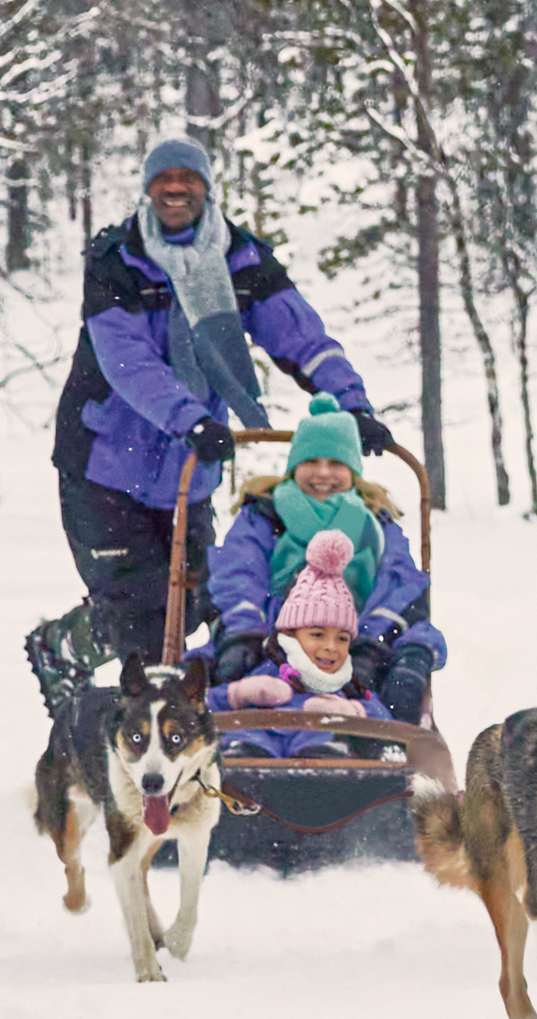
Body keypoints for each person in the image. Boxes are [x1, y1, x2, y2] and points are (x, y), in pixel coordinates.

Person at [54, 135, 381, 662]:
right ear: (148, 189)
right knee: (144, 616)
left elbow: (300, 336)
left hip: (187, 465)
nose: (176, 188)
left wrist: (352, 404)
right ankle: (68, 648)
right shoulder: (118, 260)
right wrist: (192, 418)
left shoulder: (241, 259)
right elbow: (127, 363)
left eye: (188, 179)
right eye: (164, 179)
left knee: (199, 601)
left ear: (206, 188)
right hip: (107, 463)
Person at [206, 396, 443, 723]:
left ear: (353, 471)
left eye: (336, 463)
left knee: (396, 681)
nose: (323, 473)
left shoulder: (375, 522)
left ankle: (354, 736)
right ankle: (251, 733)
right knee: (205, 675)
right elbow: (238, 574)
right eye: (311, 461)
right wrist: (247, 634)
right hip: (272, 638)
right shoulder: (265, 514)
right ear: (294, 467)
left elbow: (398, 584)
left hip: (351, 640)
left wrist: (369, 645)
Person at [206, 526, 412, 760]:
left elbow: (380, 715)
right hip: (257, 735)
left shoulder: (346, 680)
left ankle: (320, 768)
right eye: (317, 635)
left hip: (319, 742)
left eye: (342, 638)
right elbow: (210, 702)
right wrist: (239, 693)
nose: (330, 646)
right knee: (246, 742)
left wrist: (353, 710)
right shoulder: (268, 664)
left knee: (325, 745)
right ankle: (246, 758)